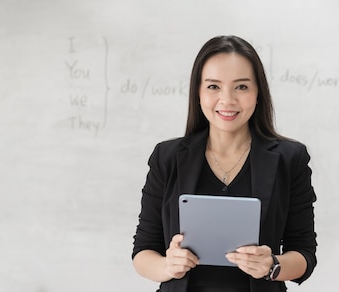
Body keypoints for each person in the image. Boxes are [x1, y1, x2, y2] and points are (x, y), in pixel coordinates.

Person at [132, 35, 317, 292]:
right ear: (198, 93)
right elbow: (143, 252)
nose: (227, 100)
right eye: (213, 86)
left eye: (241, 87)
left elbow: (304, 254)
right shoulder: (167, 157)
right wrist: (168, 266)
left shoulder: (290, 158)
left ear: (258, 93)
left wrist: (272, 265)